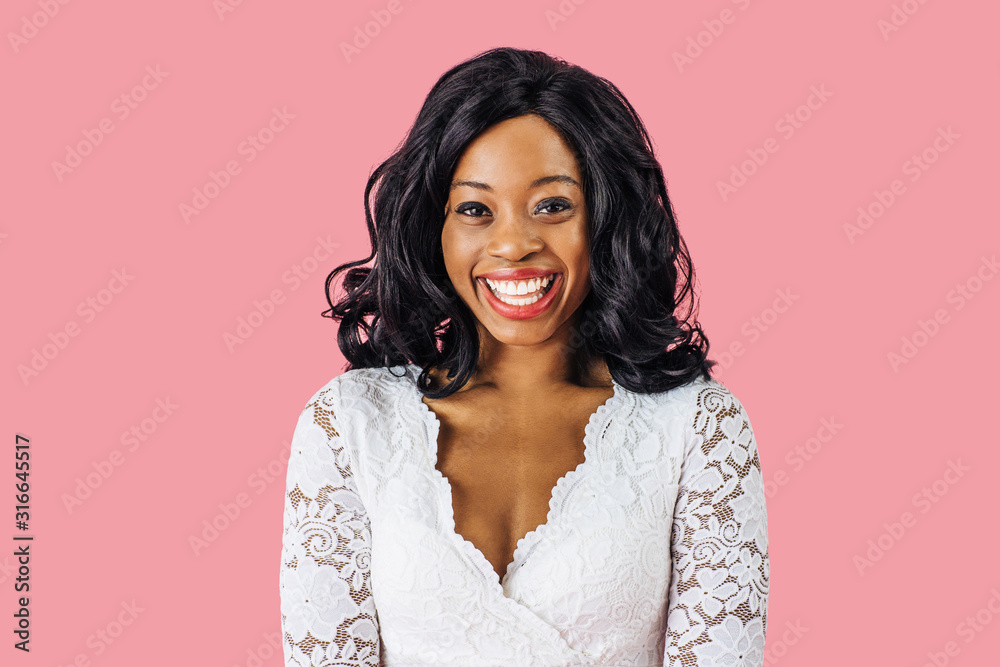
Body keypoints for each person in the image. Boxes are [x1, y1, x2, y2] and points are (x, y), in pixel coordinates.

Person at [279, 47, 769, 667]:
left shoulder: (697, 427)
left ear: (605, 219)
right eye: (476, 210)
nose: (513, 244)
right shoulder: (348, 424)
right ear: (436, 226)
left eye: (553, 206)